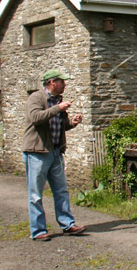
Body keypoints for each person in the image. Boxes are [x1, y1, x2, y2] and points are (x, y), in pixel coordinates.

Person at [22, 69, 87, 241]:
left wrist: (72, 122)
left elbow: (61, 125)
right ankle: (38, 231)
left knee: (61, 191)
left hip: (56, 152)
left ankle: (68, 224)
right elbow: (35, 118)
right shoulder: (36, 98)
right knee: (36, 194)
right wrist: (57, 108)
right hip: (37, 153)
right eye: (62, 82)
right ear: (52, 82)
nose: (64, 85)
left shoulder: (58, 100)